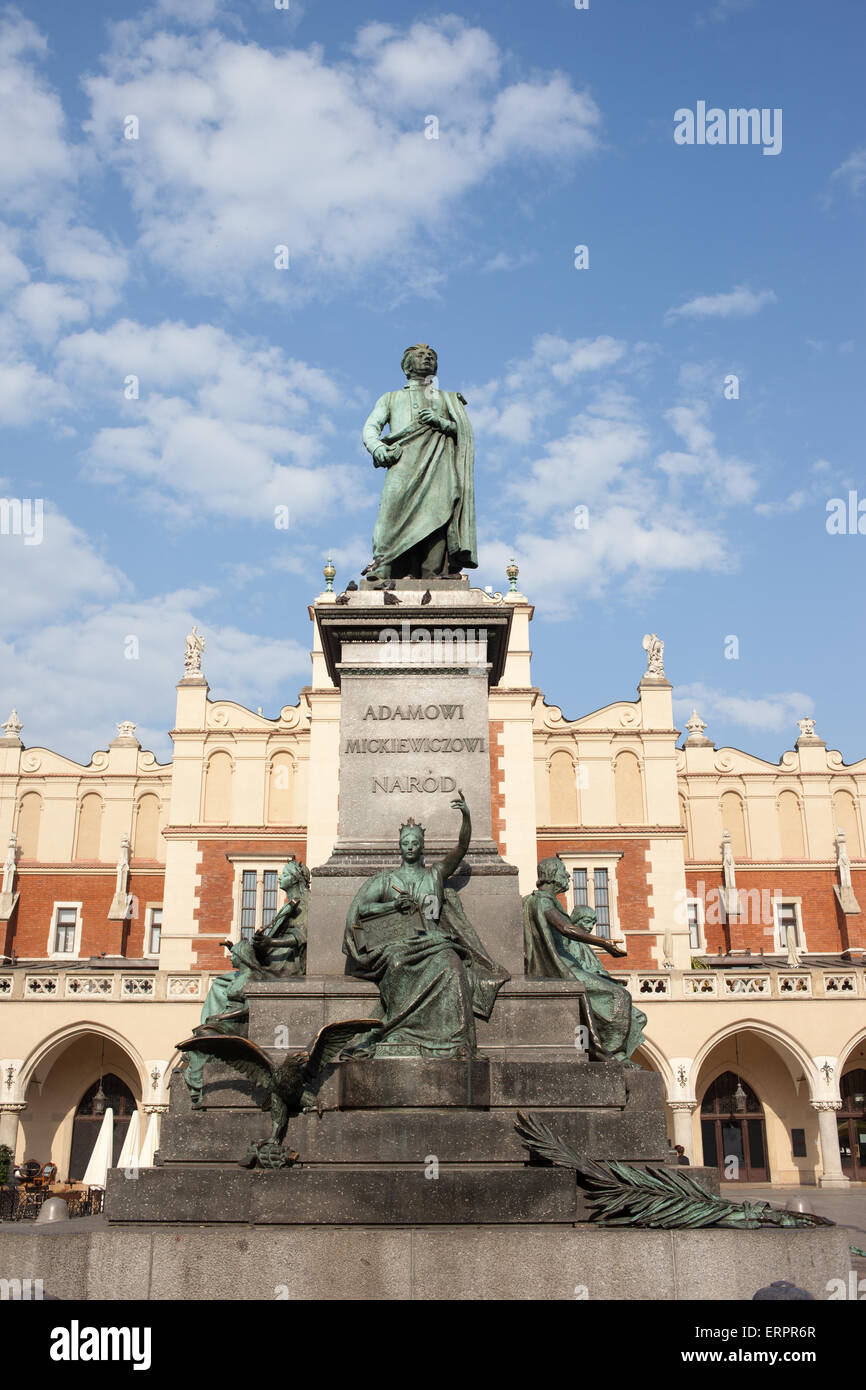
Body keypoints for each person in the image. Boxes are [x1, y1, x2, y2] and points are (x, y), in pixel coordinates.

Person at [342, 795, 508, 1057]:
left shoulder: (436, 874)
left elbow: (462, 848)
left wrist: (466, 816)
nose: (410, 846)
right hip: (397, 943)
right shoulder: (386, 880)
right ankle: (400, 1030)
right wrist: (392, 907)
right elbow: (363, 909)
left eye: (415, 842)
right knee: (397, 964)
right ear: (399, 846)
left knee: (452, 968)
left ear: (422, 846)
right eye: (405, 843)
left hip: (433, 940)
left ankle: (455, 1042)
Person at [183, 860, 310, 1104]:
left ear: (295, 879)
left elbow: (300, 937)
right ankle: (213, 1035)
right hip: (272, 963)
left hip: (284, 967)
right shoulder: (289, 906)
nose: (280, 878)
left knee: (222, 985)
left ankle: (215, 1035)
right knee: (222, 982)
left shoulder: (304, 903)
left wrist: (270, 944)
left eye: (284, 874)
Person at [361, 344, 477, 580]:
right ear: (406, 365)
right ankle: (384, 566)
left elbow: (463, 433)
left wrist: (441, 422)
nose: (427, 359)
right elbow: (371, 428)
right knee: (390, 513)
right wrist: (378, 448)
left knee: (438, 512)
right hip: (402, 463)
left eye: (431, 356)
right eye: (420, 356)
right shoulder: (391, 398)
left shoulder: (448, 399)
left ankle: (431, 571)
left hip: (438, 466)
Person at [523, 855, 647, 1064]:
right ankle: (610, 1053)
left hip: (563, 967)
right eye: (564, 872)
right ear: (552, 876)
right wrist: (604, 943)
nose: (568, 876)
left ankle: (612, 1052)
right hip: (563, 969)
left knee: (619, 998)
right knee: (619, 997)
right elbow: (567, 928)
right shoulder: (542, 900)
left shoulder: (538, 900)